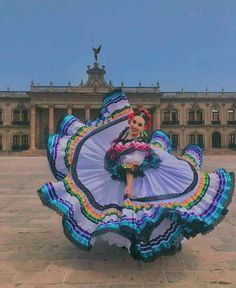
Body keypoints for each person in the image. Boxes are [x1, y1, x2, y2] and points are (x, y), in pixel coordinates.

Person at [38, 89, 235, 262]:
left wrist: (129, 186)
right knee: (131, 213)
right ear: (131, 121)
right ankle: (131, 239)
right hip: (121, 177)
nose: (135, 126)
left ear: (143, 128)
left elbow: (130, 166)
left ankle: (149, 240)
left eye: (139, 124)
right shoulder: (123, 137)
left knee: (144, 211)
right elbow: (113, 146)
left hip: (135, 181)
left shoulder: (137, 146)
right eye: (134, 122)